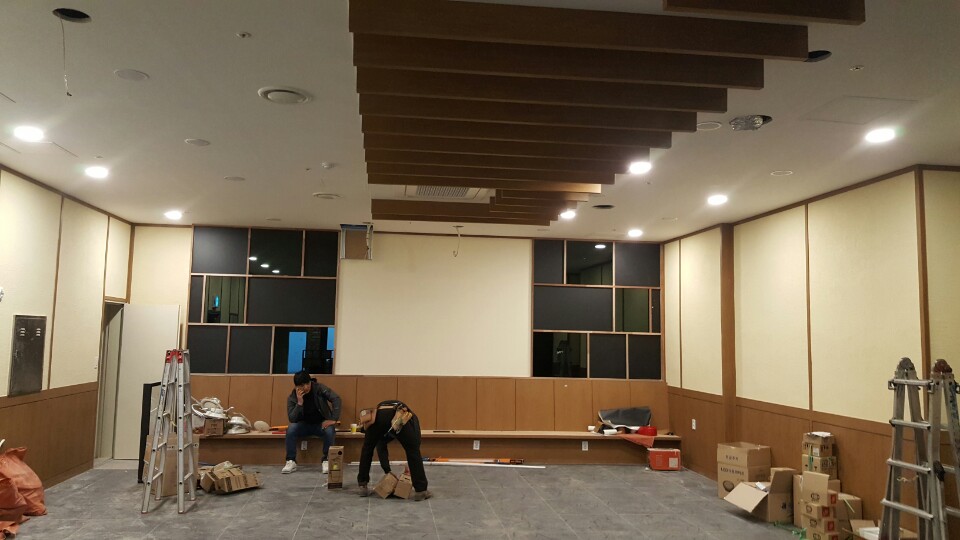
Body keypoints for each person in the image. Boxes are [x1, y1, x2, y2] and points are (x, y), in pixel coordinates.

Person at [357, 400, 431, 501]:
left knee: (367, 449)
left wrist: (387, 471)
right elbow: (415, 445)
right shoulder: (412, 418)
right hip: (399, 416)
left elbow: (381, 446)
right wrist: (413, 450)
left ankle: (362, 485)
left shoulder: (380, 417)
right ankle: (421, 491)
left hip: (376, 417)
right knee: (413, 451)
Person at [282, 370, 341, 474]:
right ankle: (291, 461)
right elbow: (292, 418)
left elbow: (336, 399)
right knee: (291, 428)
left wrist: (333, 419)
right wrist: (299, 403)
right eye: (302, 385)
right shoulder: (293, 396)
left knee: (330, 430)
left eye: (307, 383)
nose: (306, 387)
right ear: (297, 387)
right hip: (304, 425)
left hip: (320, 424)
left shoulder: (319, 388)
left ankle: (326, 460)